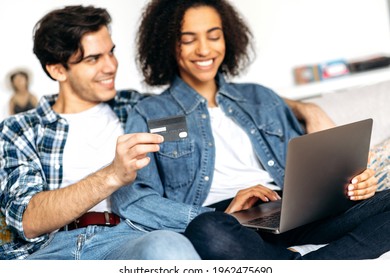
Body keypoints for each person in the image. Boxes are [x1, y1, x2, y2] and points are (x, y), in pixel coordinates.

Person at [112, 0, 390, 259]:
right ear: (168, 45)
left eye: (213, 36)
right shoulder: (150, 113)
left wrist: (354, 184)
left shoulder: (262, 98)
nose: (204, 50)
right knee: (208, 232)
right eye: (188, 40)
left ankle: (303, 267)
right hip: (226, 219)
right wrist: (214, 215)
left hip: (291, 209)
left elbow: (311, 172)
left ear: (227, 38)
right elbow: (135, 199)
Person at [0, 5, 200, 260]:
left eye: (111, 52)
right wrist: (113, 174)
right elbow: (29, 220)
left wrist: (225, 208)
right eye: (93, 59)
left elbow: (198, 139)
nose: (111, 66)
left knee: (168, 247)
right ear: (57, 70)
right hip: (50, 249)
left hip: (128, 237)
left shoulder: (140, 108)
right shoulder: (20, 129)